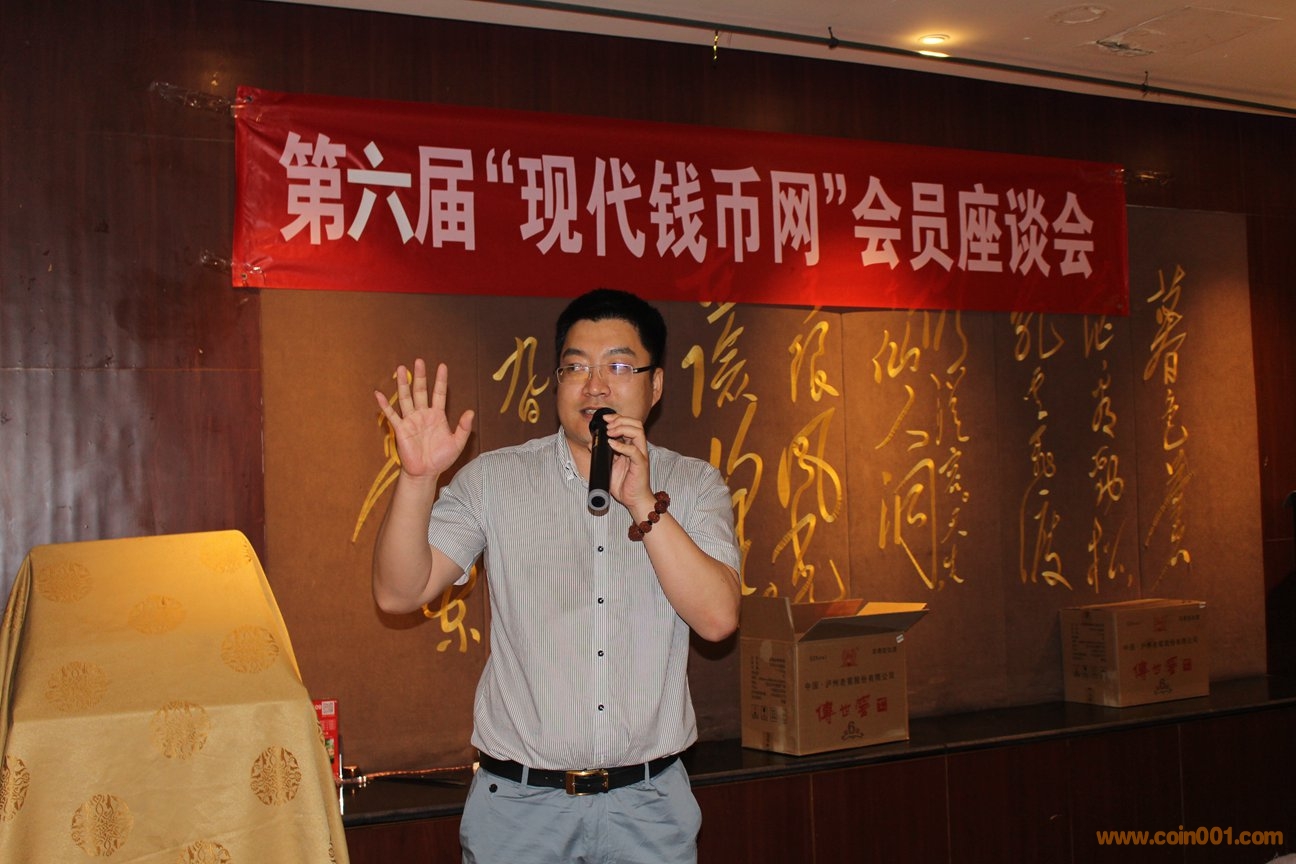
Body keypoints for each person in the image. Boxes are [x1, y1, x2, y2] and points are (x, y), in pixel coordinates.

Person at [372, 288, 742, 864]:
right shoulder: (494, 480)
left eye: (619, 366)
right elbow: (399, 593)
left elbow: (718, 620)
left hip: (648, 806)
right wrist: (418, 480)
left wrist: (643, 502)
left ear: (656, 386)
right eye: (576, 367)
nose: (595, 386)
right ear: (557, 382)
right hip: (521, 810)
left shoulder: (694, 485)